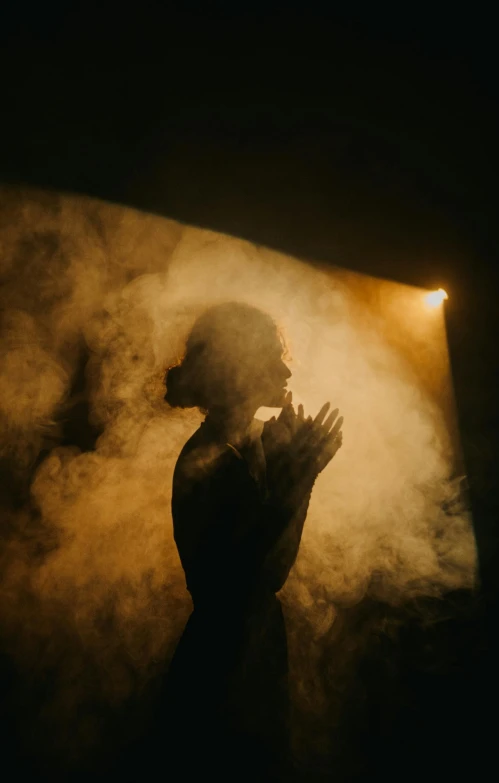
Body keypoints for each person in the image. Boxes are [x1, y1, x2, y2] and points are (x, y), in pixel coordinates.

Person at [161, 301, 343, 779]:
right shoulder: (205, 457)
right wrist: (298, 480)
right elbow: (235, 582)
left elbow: (274, 572)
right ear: (232, 365)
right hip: (220, 669)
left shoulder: (255, 442)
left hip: (255, 653)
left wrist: (301, 476)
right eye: (269, 355)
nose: (284, 368)